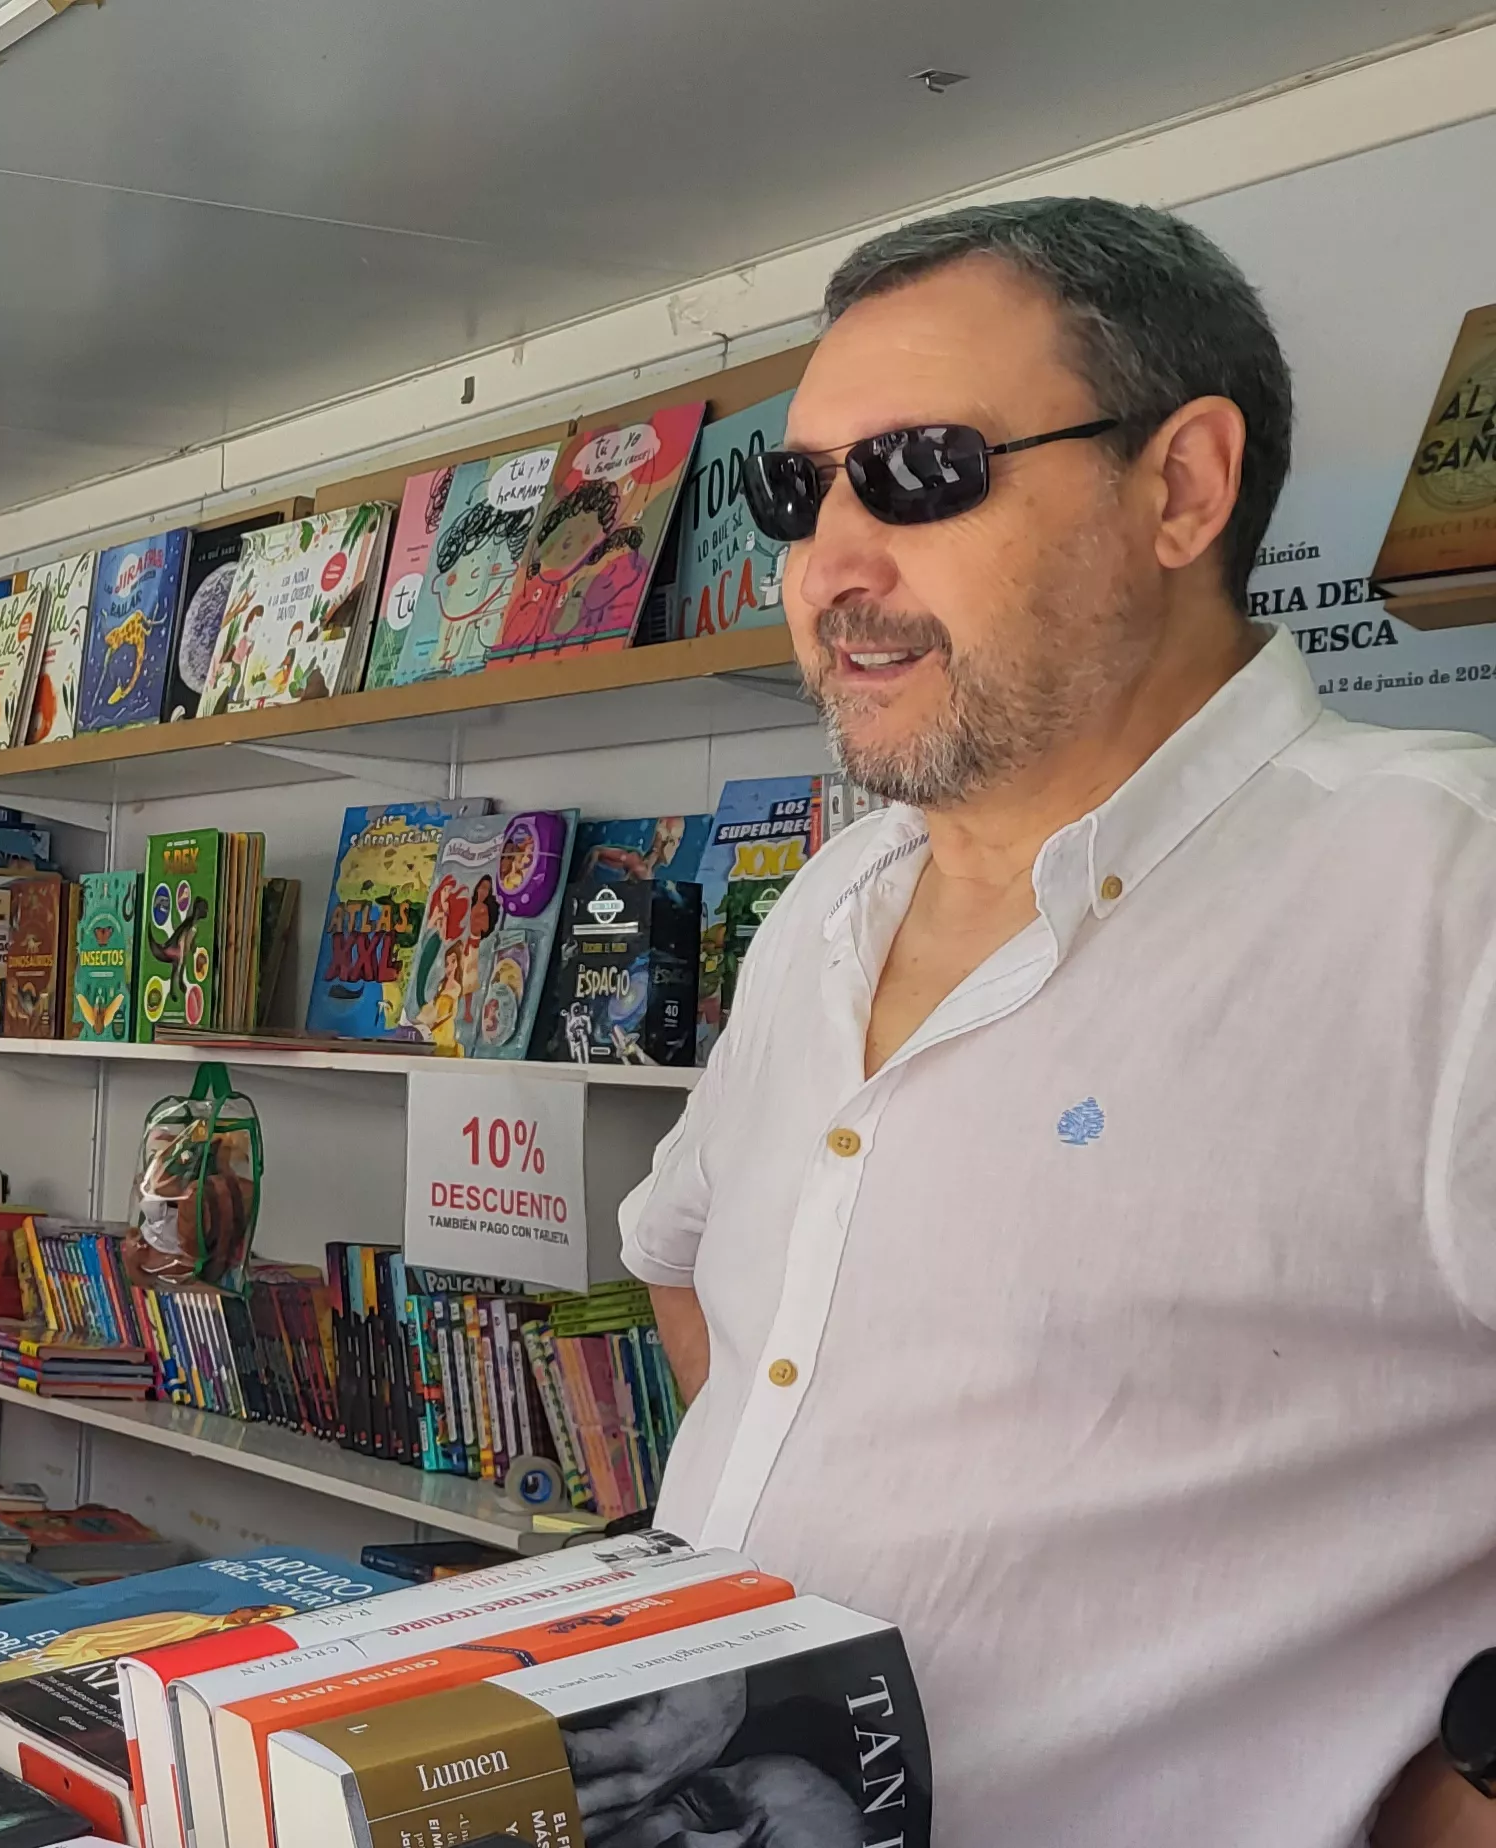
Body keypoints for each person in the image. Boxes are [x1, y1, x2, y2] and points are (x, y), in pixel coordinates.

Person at [618, 196, 1496, 1846]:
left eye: (923, 470)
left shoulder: (1447, 900)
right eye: (796, 493)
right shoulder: (828, 903)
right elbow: (686, 1266)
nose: (829, 567)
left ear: (1182, 489)